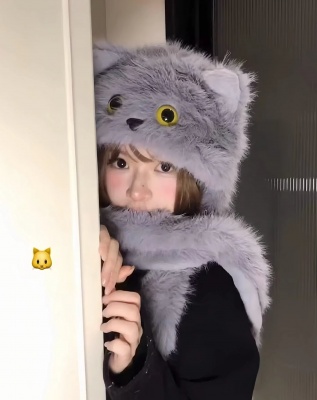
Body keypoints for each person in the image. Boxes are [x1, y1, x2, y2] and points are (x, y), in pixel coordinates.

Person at [94, 42, 272, 400]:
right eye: (121, 163)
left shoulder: (210, 285)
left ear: (199, 179)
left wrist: (134, 367)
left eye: (164, 167)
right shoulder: (81, 241)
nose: (137, 191)